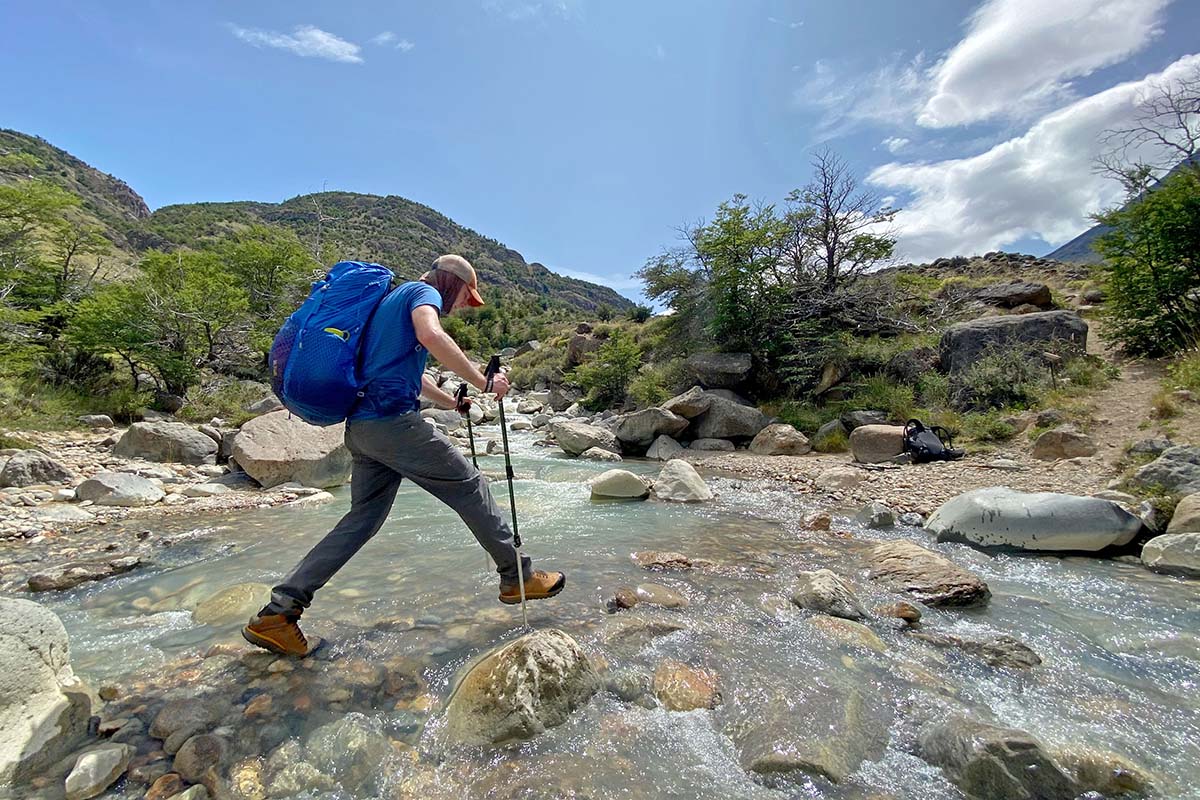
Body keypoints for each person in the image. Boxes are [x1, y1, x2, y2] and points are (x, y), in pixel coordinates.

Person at [242, 254, 566, 657]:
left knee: (362, 520)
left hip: (362, 431)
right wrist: (485, 380)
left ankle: (279, 612)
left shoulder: (386, 307)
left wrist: (452, 403)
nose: (466, 305)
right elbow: (431, 336)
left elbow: (416, 375)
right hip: (393, 425)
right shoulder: (421, 291)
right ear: (454, 282)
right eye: (468, 296)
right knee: (469, 485)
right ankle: (518, 577)